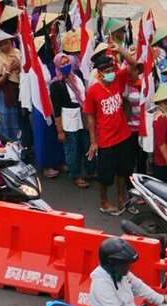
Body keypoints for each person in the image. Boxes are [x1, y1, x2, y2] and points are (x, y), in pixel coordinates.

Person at [84, 40, 139, 215]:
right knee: (105, 175)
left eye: (112, 70)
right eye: (107, 72)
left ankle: (122, 198)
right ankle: (104, 201)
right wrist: (93, 141)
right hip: (106, 139)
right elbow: (91, 117)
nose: (111, 74)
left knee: (123, 171)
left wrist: (120, 50)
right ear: (99, 74)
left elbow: (134, 64)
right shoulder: (93, 91)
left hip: (123, 135)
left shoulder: (119, 79)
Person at [51, 48, 91, 189]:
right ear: (57, 67)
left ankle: (90, 170)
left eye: (67, 62)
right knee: (72, 148)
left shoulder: (77, 74)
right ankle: (76, 175)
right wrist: (60, 131)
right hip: (69, 119)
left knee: (87, 143)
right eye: (62, 64)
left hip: (84, 115)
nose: (66, 65)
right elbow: (56, 111)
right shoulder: (56, 84)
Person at [0, 29, 22, 142]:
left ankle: (21, 145)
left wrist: (19, 67)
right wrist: (7, 72)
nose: (4, 46)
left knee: (20, 120)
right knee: (7, 122)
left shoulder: (18, 53)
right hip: (7, 93)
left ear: (10, 42)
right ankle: (8, 144)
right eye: (0, 45)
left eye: (6, 43)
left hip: (20, 91)